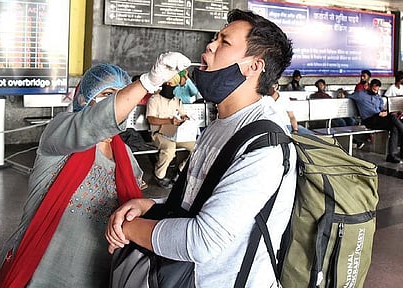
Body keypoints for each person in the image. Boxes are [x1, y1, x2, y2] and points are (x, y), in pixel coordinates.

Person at [106, 9, 297, 288]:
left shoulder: (263, 144)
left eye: (224, 42)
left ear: (254, 66)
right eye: (214, 39)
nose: (210, 46)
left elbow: (201, 240)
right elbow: (200, 203)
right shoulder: (222, 122)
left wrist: (129, 229)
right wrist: (151, 205)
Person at [0, 52, 191, 287]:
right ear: (84, 99)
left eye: (122, 97)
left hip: (97, 275)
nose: (120, 105)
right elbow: (91, 124)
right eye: (108, 97)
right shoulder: (60, 135)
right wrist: (147, 83)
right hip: (40, 275)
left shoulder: (127, 159)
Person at [348, 79, 403, 163]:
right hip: (369, 120)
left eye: (377, 90)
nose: (375, 92)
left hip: (379, 118)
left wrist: (384, 112)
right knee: (393, 119)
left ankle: (392, 155)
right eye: (374, 89)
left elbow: (381, 108)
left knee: (394, 126)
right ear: (369, 86)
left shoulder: (378, 97)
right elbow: (348, 96)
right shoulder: (360, 94)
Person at [146, 76, 196, 189]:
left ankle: (180, 170)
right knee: (169, 149)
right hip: (159, 134)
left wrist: (185, 118)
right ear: (165, 84)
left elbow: (183, 114)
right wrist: (169, 121)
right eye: (171, 85)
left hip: (176, 133)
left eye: (175, 85)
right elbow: (151, 119)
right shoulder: (154, 100)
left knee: (196, 147)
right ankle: (159, 175)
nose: (173, 88)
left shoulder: (176, 100)